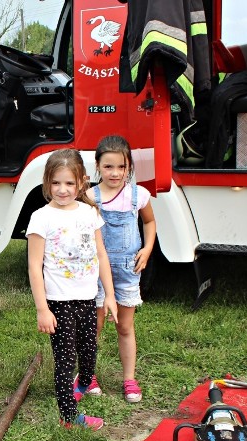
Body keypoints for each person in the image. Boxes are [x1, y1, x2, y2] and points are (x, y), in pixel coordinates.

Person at [26, 149, 118, 430]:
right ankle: (68, 416)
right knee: (65, 361)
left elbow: (101, 254)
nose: (62, 189)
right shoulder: (41, 217)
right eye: (56, 183)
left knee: (88, 362)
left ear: (81, 182)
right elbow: (34, 266)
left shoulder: (89, 212)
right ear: (47, 183)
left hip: (88, 298)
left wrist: (110, 295)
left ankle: (77, 389)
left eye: (69, 183)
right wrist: (42, 308)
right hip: (59, 302)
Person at [84, 135, 157, 403]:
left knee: (125, 326)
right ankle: (87, 375)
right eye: (108, 167)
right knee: (95, 325)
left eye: (121, 167)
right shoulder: (90, 197)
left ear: (129, 168)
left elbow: (149, 222)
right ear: (98, 166)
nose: (115, 173)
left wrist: (147, 249)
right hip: (96, 274)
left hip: (127, 270)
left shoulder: (139, 195)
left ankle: (129, 378)